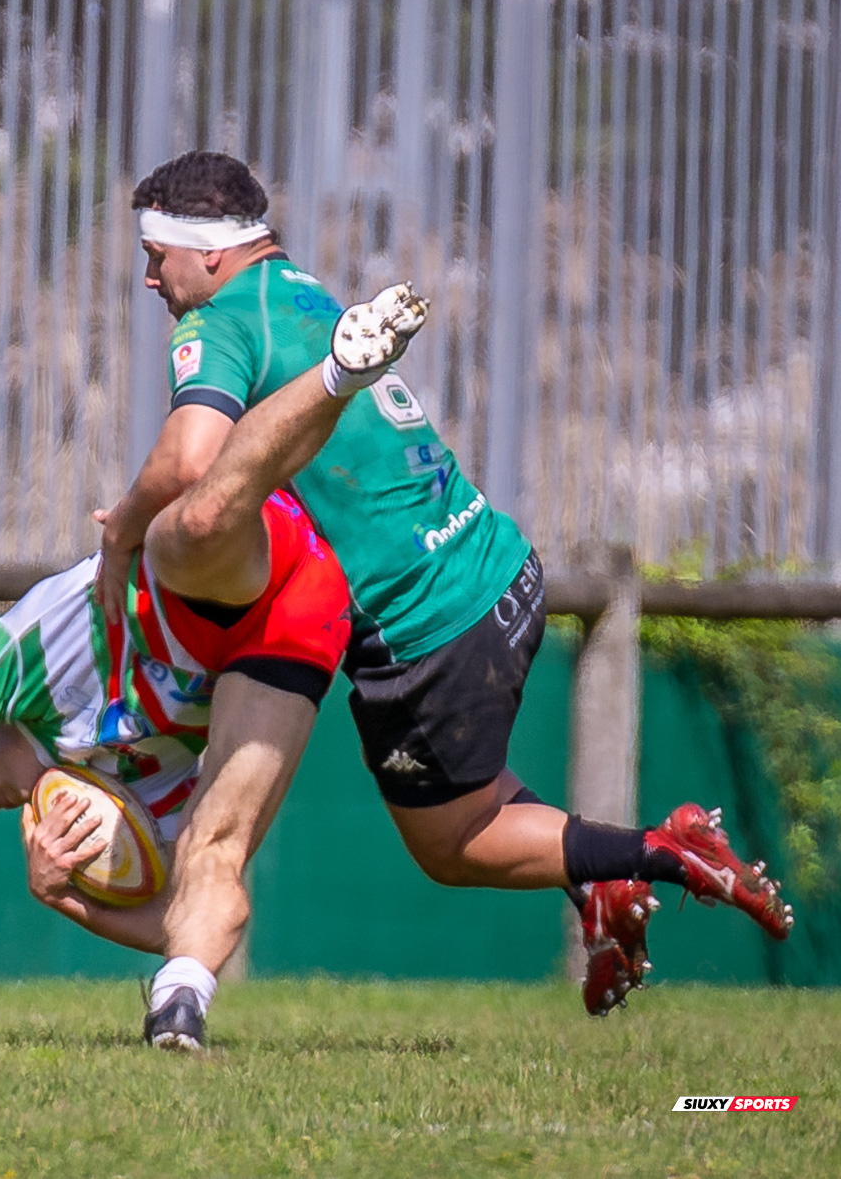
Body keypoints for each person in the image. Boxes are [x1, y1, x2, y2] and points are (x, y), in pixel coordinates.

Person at [101, 151, 793, 1021]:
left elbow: (193, 460)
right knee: (475, 802)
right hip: (498, 567)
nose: (149, 278)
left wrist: (125, 532)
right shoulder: (307, 296)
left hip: (425, 621)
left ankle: (661, 850)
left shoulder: (225, 316)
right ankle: (599, 881)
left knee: (452, 839)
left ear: (207, 253)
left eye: (156, 256)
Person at [0, 490, 353, 1049]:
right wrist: (62, 898)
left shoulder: (15, 655)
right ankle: (177, 1011)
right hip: (301, 608)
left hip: (210, 560)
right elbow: (191, 916)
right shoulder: (136, 784)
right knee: (227, 862)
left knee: (203, 497)